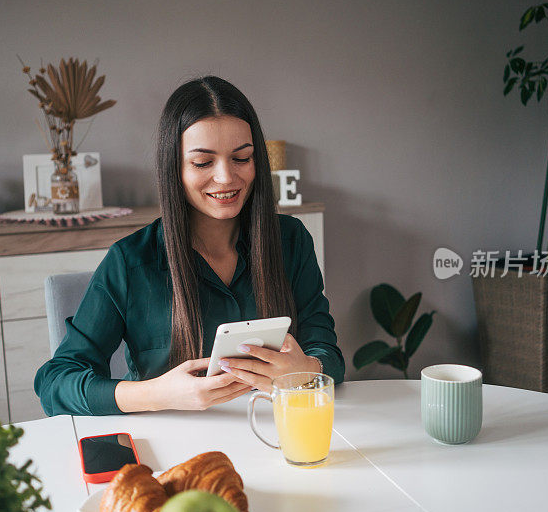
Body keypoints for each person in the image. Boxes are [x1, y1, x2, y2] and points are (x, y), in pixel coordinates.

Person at [34, 76, 344, 416]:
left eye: (242, 158)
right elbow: (55, 383)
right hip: (172, 452)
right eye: (203, 162)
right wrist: (157, 395)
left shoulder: (291, 240)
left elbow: (327, 352)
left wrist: (306, 370)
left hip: (277, 436)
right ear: (175, 168)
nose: (226, 177)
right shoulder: (130, 261)